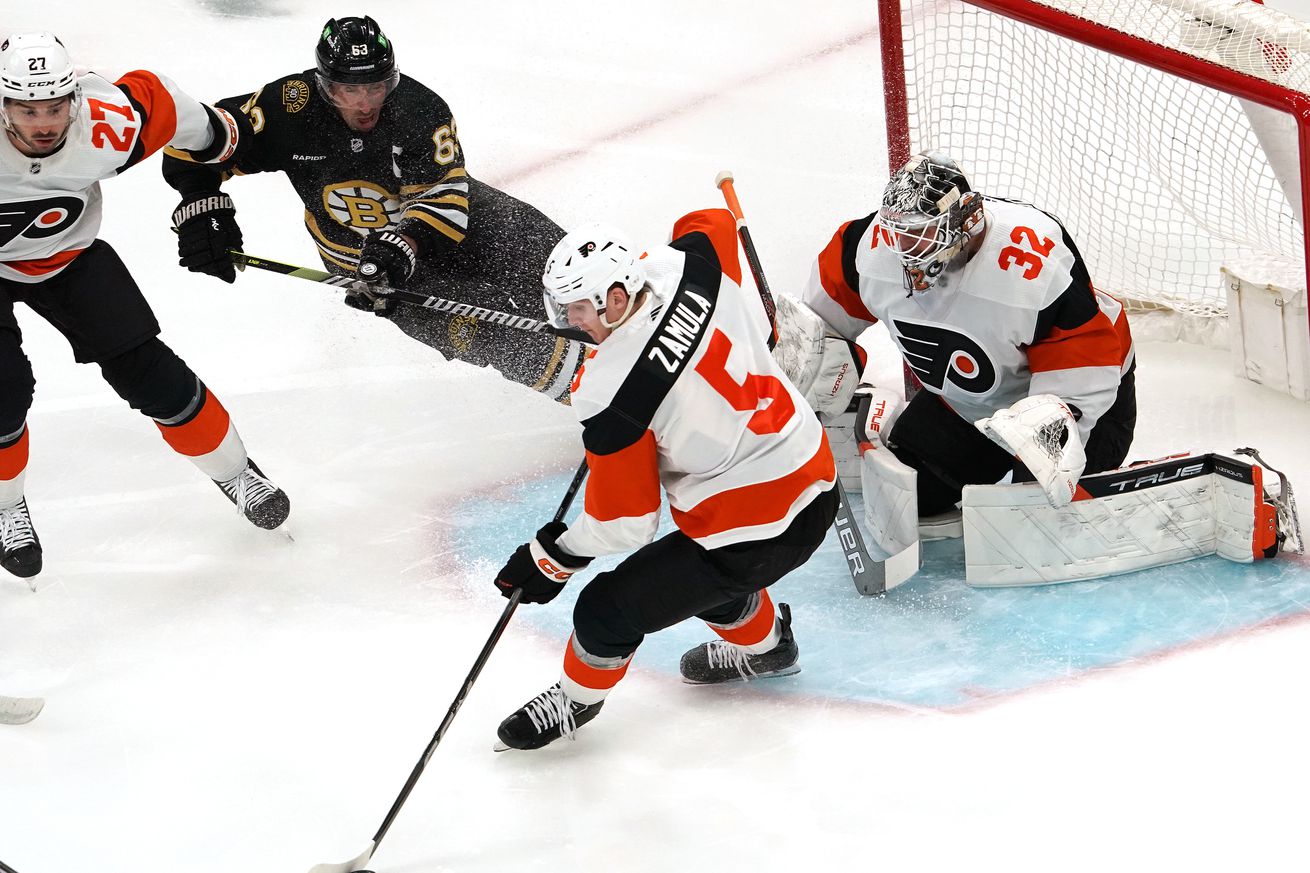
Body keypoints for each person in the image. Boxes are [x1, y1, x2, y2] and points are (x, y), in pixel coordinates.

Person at [490, 208, 839, 751]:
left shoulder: (610, 394)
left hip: (751, 534)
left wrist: (553, 555)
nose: (567, 320)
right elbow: (710, 223)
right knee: (702, 582)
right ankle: (770, 649)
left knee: (605, 610)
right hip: (816, 477)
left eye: (577, 308)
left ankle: (576, 702)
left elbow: (626, 523)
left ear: (614, 297)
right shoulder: (687, 265)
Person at [161, 15, 583, 402]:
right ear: (326, 84)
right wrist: (202, 206)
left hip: (444, 218)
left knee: (566, 265)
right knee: (498, 335)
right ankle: (593, 392)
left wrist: (405, 241)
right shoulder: (286, 109)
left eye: (375, 87)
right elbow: (192, 141)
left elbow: (446, 199)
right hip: (358, 255)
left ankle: (634, 317)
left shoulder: (419, 109)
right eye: (350, 89)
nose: (365, 103)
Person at [0, 32, 290, 580]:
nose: (43, 124)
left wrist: (207, 183)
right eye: (26, 108)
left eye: (56, 107)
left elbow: (186, 117)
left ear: (76, 101)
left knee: (151, 374)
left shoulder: (110, 124)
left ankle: (237, 472)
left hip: (66, 255)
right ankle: (4, 503)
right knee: (1, 391)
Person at [793, 151, 1135, 526]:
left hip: (1084, 397)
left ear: (965, 221)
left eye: (919, 236)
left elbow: (1088, 355)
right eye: (898, 234)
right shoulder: (870, 249)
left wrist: (1048, 430)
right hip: (966, 402)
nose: (904, 253)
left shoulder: (1032, 262)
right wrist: (810, 362)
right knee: (912, 497)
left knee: (1040, 519)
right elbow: (820, 322)